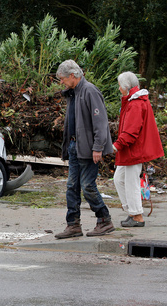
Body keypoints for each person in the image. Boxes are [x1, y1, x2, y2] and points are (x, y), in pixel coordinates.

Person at [55, 60, 115, 239]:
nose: (62, 82)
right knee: (72, 186)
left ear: (73, 76)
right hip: (75, 146)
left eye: (63, 79)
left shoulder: (89, 91)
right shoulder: (73, 93)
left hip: (88, 148)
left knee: (88, 186)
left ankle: (104, 220)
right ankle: (73, 225)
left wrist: (98, 147)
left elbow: (101, 122)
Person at [112, 71, 164, 227]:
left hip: (133, 150)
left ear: (126, 87)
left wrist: (116, 146)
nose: (119, 88)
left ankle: (136, 215)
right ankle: (133, 212)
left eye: (120, 85)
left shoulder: (135, 103)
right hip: (133, 149)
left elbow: (130, 132)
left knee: (130, 182)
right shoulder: (137, 101)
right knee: (120, 179)